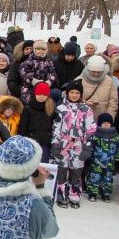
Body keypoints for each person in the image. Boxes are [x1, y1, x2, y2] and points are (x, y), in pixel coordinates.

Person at [51, 79, 95, 208]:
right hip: (63, 144)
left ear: (80, 94)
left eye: (77, 93)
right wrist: (55, 144)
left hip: (78, 145)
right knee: (62, 171)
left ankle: (74, 195)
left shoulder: (86, 109)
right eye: (72, 92)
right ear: (67, 93)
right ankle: (61, 195)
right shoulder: (61, 109)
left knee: (76, 171)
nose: (74, 95)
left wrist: (87, 147)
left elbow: (91, 129)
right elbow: (56, 127)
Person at [85, 112, 119, 203]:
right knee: (94, 178)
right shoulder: (95, 135)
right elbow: (90, 147)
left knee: (107, 179)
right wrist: (88, 158)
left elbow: (118, 149)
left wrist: (118, 160)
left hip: (110, 163)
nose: (106, 124)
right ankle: (92, 193)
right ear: (99, 123)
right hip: (96, 162)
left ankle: (106, 194)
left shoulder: (116, 137)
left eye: (108, 123)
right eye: (104, 123)